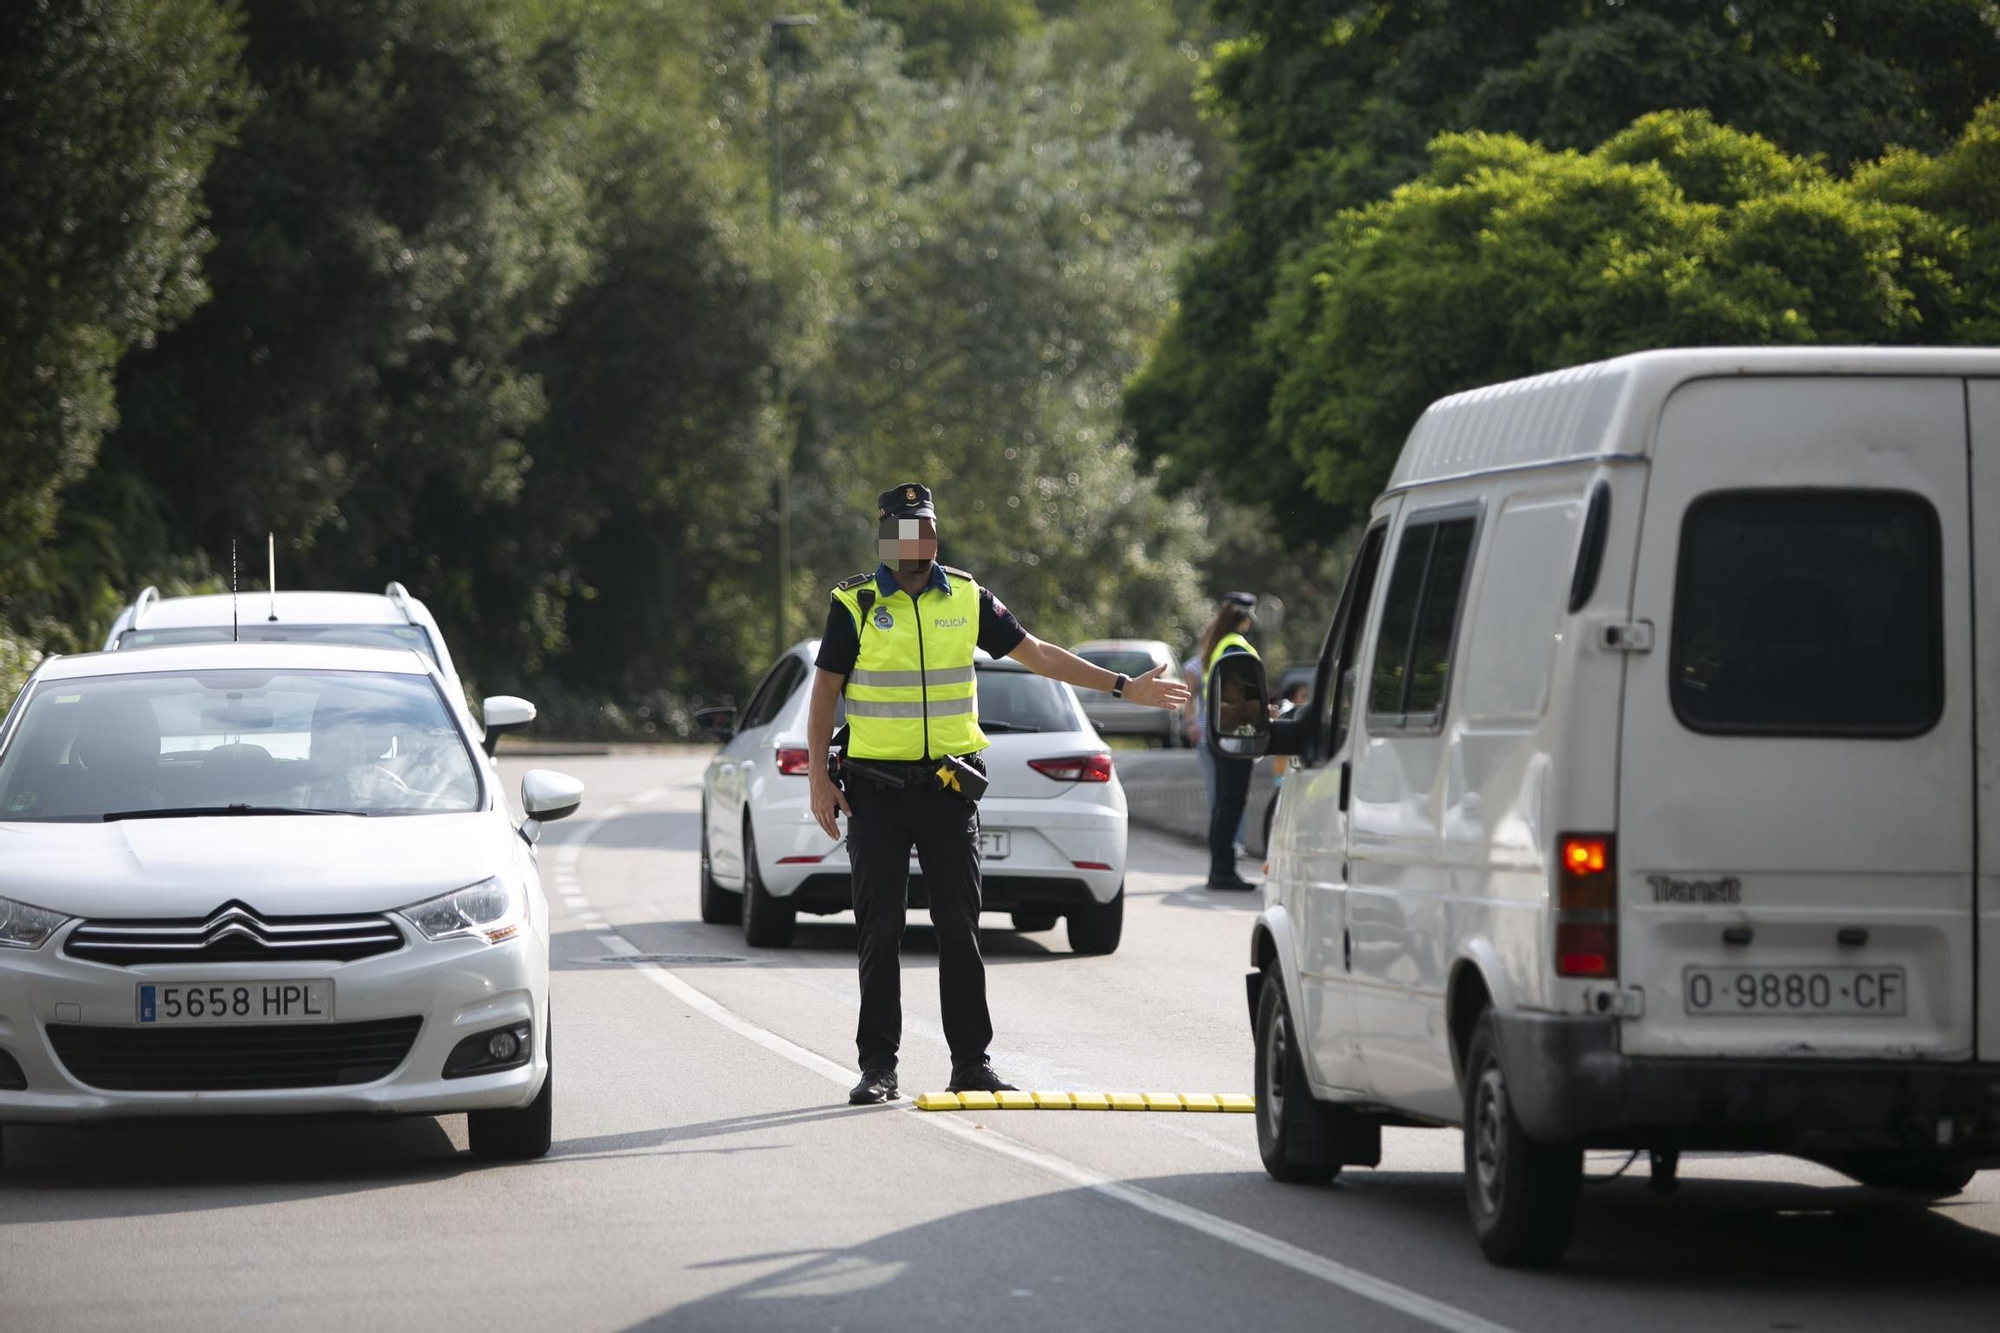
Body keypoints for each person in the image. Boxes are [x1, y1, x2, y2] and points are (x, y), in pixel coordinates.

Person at [806, 483, 1189, 1105]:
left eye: (925, 528)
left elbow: (1038, 654)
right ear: (885, 534)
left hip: (948, 791)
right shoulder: (854, 601)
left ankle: (970, 1063)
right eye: (905, 530)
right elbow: (825, 691)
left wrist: (1123, 687)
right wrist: (819, 777)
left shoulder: (966, 595)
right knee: (880, 930)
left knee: (960, 927)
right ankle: (879, 1067)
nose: (918, 542)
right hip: (875, 792)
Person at [1198, 591, 1259, 891]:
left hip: (1219, 733)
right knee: (1230, 805)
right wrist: (1262, 709)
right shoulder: (1235, 645)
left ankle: (1219, 870)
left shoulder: (1218, 643)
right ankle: (1223, 872)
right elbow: (1239, 695)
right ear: (1244, 617)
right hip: (1236, 735)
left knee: (1223, 805)